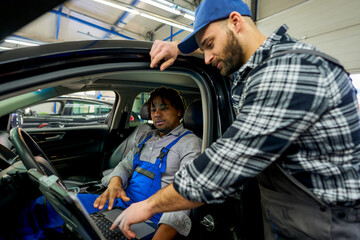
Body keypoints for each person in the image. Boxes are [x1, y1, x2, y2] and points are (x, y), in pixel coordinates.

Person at [112, 0, 360, 239]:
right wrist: (178, 48)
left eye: (209, 44)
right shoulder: (253, 68)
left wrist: (148, 207)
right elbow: (221, 47)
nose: (207, 57)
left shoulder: (289, 69)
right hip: (291, 215)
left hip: (329, 225)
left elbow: (223, 167)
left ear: (235, 21)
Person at [8, 87, 202, 240]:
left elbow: (184, 196)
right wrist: (115, 183)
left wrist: (161, 235)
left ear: (178, 110)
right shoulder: (146, 136)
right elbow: (126, 166)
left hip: (151, 218)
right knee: (47, 204)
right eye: (153, 109)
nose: (157, 113)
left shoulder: (190, 143)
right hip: (120, 202)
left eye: (164, 107)